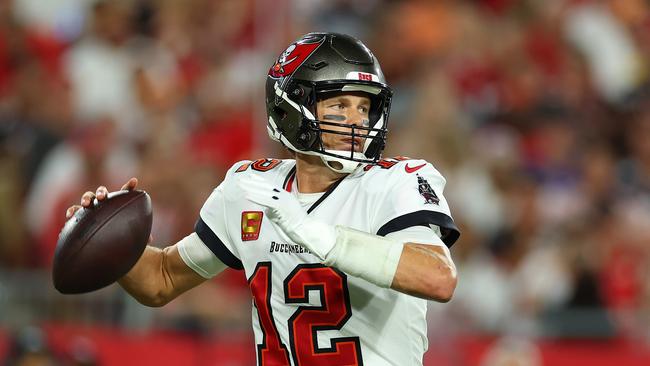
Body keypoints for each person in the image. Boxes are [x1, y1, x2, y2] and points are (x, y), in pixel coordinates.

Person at [66, 32, 460, 366]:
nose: (358, 119)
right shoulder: (249, 188)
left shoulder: (395, 182)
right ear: (291, 108)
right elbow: (162, 280)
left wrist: (324, 237)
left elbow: (437, 277)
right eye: (339, 105)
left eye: (365, 105)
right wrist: (109, 235)